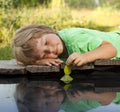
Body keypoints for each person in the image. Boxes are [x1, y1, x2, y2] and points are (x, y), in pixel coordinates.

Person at [12, 24, 120, 66]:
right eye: (44, 54)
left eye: (45, 42)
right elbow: (20, 62)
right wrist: (37, 62)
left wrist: (85, 57)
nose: (50, 50)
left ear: (45, 30)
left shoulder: (74, 39)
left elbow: (111, 49)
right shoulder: (57, 55)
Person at [14, 80, 119, 112]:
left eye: (45, 93)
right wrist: (86, 94)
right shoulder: (74, 105)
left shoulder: (62, 87)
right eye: (47, 104)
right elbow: (110, 96)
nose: (51, 97)